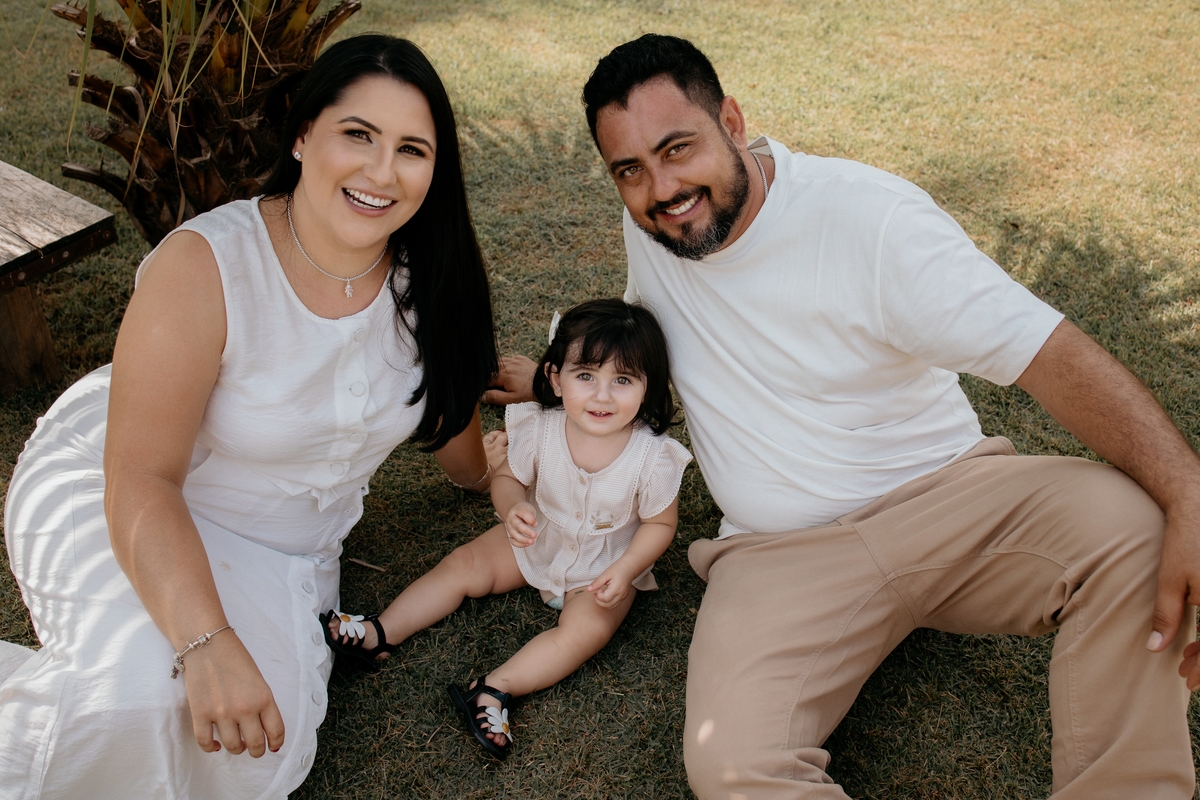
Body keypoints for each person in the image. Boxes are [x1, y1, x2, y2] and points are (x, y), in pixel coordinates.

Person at [484, 34, 1200, 799]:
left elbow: (1049, 355)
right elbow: (645, 325)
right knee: (732, 768)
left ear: (732, 122)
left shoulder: (872, 221)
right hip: (776, 555)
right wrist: (552, 382)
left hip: (949, 503)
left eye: (677, 148)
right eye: (630, 170)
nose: (662, 187)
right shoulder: (658, 227)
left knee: (1136, 529)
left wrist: (1190, 492)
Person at [0, 34, 498, 799]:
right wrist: (206, 640)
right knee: (135, 699)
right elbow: (141, 475)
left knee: (251, 745)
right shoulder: (206, 264)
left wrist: (487, 475)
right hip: (128, 491)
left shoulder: (432, 278)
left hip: (281, 551)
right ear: (302, 135)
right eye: (357, 135)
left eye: (411, 149)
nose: (381, 172)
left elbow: (447, 410)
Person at [326, 298, 691, 760]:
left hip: (604, 568)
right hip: (536, 537)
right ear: (555, 378)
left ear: (647, 386)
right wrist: (513, 504)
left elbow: (660, 524)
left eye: (622, 380)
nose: (602, 396)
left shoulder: (654, 458)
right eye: (586, 376)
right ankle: (381, 631)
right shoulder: (540, 428)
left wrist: (627, 569)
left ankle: (494, 690)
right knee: (465, 564)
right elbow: (508, 478)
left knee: (584, 633)